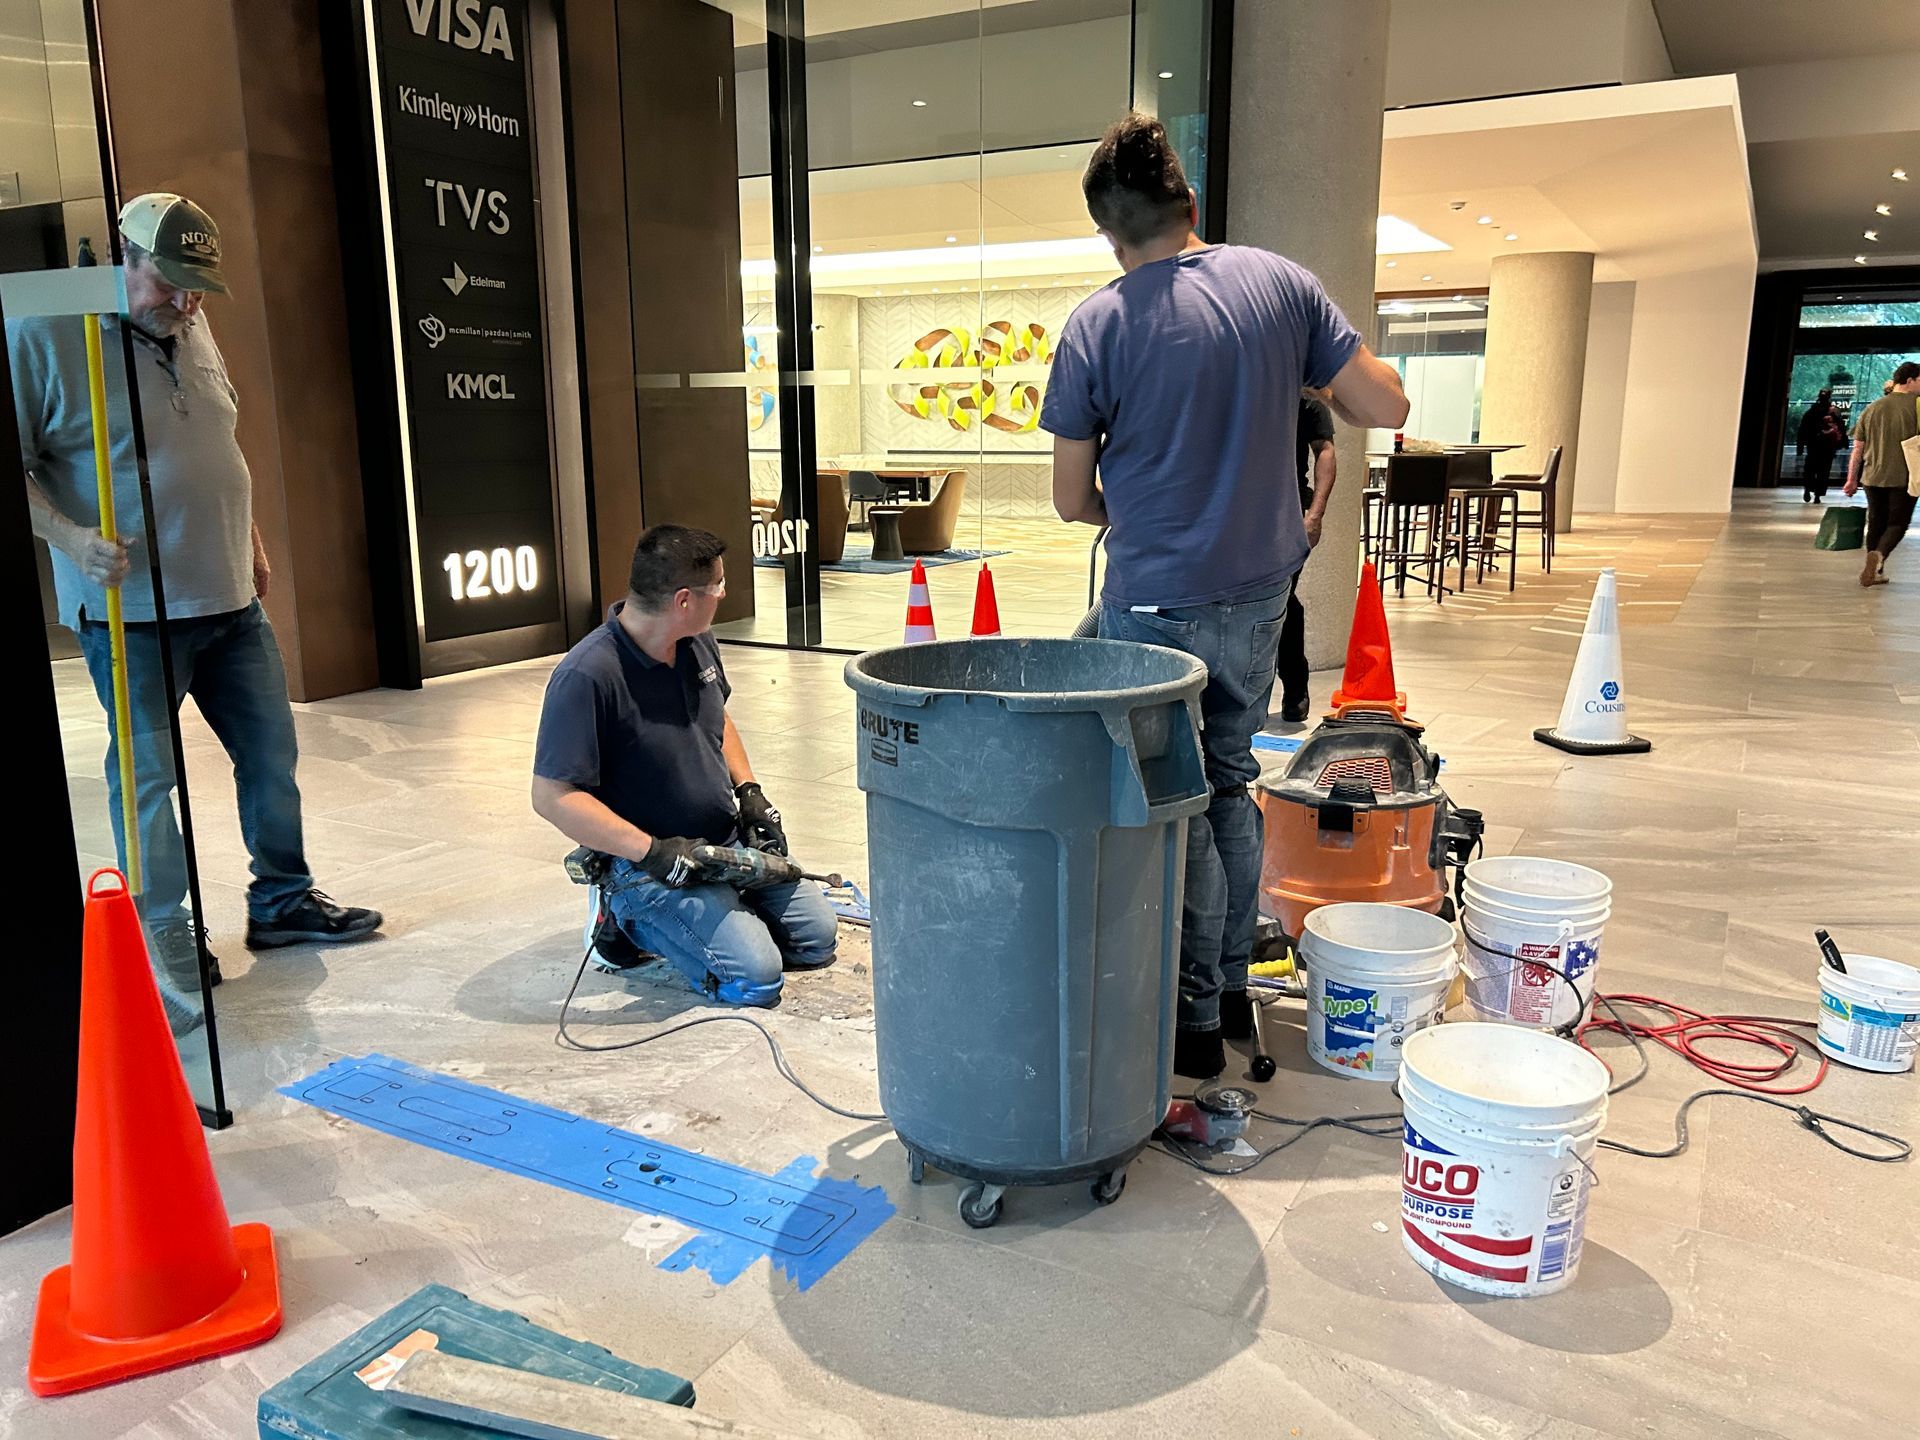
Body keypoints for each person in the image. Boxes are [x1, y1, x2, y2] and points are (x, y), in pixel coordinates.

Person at [1042, 114, 1409, 1080]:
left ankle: (1194, 1014)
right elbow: (1384, 405)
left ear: (1108, 234)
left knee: (1183, 799)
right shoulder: (1279, 285)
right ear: (1191, 205)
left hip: (1157, 603)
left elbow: (1072, 498)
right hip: (1258, 593)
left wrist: (1146, 491)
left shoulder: (1099, 324)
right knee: (1230, 773)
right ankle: (1235, 984)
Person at [10, 193, 381, 1019]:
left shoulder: (191, 319)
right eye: (171, 283)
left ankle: (282, 902)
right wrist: (70, 540)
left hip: (231, 602)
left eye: (200, 286)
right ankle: (164, 925)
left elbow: (220, 434)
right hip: (133, 614)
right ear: (122, 257)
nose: (187, 302)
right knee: (147, 781)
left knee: (272, 759)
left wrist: (248, 534)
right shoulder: (48, 335)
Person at [531, 525, 836, 1007]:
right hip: (647, 862)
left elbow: (719, 715)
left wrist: (750, 793)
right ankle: (622, 921)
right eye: (717, 585)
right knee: (755, 979)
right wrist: (652, 852)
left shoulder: (697, 640)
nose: (724, 592)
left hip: (720, 841)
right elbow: (552, 796)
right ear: (683, 600)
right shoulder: (587, 675)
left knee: (815, 940)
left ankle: (717, 916)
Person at [1276, 395, 1337, 721]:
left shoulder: (1306, 399)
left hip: (1289, 513)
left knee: (1281, 597)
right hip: (1237, 511)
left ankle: (1295, 685)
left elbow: (1325, 450)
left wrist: (1315, 514)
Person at [1842, 360, 1920, 587]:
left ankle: (1876, 570)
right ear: (1910, 380)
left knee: (1876, 523)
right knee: (1897, 523)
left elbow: (1858, 448)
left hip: (1872, 476)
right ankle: (1879, 557)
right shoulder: (1917, 405)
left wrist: (1851, 479)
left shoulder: (1872, 407)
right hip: (1903, 476)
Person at [1795, 388, 1846, 502]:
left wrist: (1800, 447)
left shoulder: (1811, 412)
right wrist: (1840, 445)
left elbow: (1803, 429)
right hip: (1827, 447)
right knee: (1823, 471)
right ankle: (1818, 495)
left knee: (1810, 469)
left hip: (1813, 445)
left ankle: (1808, 489)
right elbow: (1841, 428)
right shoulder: (1834, 412)